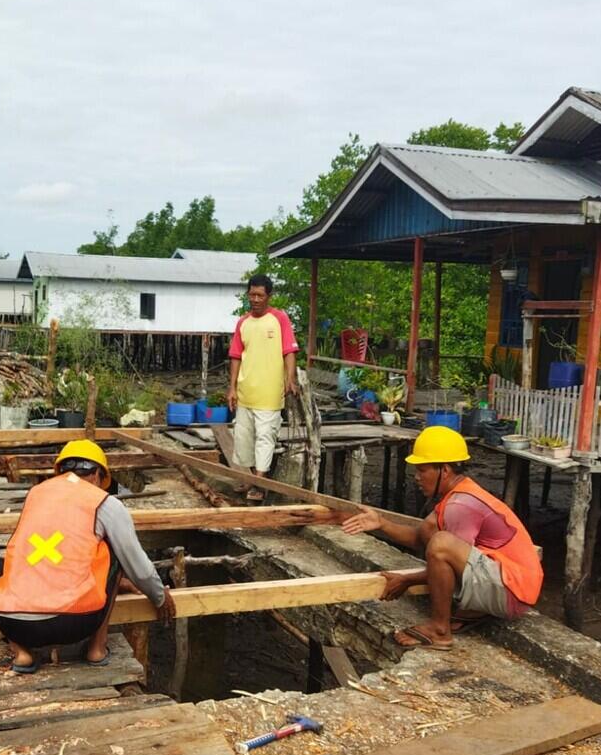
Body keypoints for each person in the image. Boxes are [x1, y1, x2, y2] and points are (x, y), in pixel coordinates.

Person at [0, 440, 177, 673]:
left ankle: (22, 653)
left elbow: (39, 558)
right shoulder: (104, 503)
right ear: (97, 475)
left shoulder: (35, 494)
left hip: (14, 623)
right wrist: (159, 596)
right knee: (114, 550)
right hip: (75, 623)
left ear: (60, 471)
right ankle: (97, 649)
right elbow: (139, 567)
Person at [340, 426, 542, 650]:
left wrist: (408, 579)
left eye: (422, 470)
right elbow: (420, 538)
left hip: (513, 592)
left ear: (444, 470)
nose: (416, 477)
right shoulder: (459, 494)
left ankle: (439, 631)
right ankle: (474, 611)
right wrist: (382, 523)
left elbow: (444, 555)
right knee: (430, 529)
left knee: (440, 544)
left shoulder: (460, 505)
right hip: (511, 582)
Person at [227, 274, 299, 500]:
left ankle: (259, 482)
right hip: (246, 390)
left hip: (269, 392)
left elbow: (289, 351)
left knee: (265, 437)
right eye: (252, 295)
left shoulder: (279, 319)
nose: (255, 299)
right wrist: (232, 388)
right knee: (243, 437)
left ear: (269, 296)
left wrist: (290, 378)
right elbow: (236, 356)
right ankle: (249, 479)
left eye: (260, 295)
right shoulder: (243, 322)